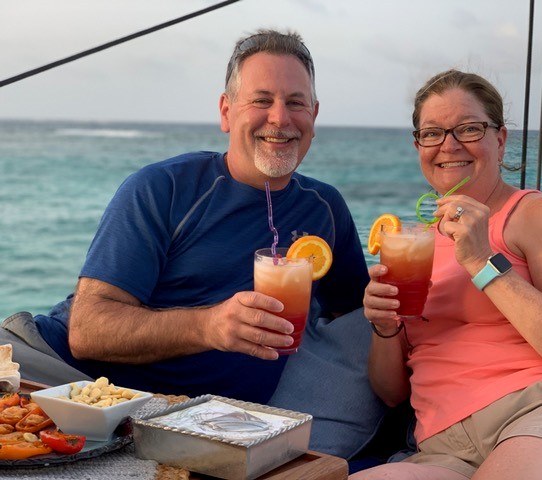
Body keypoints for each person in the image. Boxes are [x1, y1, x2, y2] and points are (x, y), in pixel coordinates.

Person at [1, 29, 369, 405]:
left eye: (296, 103)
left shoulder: (325, 209)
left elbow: (356, 319)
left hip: (191, 417)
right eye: (261, 100)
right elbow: (87, 330)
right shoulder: (164, 187)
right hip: (57, 370)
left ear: (314, 115)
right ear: (226, 112)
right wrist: (210, 326)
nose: (280, 117)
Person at [351, 69, 542, 479]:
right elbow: (393, 392)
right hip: (443, 444)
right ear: (418, 146)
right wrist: (384, 328)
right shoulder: (413, 246)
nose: (448, 145)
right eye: (432, 133)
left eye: (468, 129)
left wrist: (483, 262)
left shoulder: (537, 215)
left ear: (500, 139)